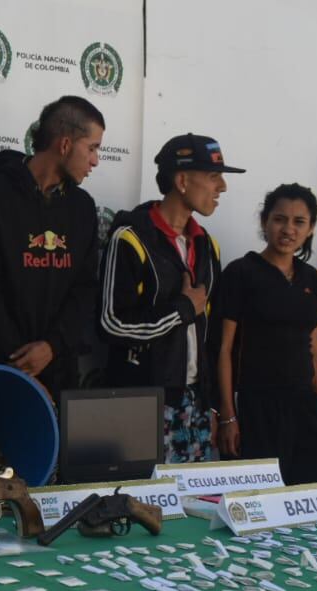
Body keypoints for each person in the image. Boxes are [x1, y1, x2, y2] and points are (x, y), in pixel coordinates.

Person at [99, 133, 244, 462]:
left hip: (194, 403)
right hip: (141, 404)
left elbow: (209, 336)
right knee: (144, 507)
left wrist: (215, 405)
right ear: (181, 180)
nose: (222, 187)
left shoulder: (207, 245)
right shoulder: (130, 238)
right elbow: (110, 324)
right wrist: (180, 310)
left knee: (195, 507)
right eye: (213, 177)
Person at [0, 96, 104, 398]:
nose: (95, 160)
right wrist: (21, 364)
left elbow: (85, 290)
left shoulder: (83, 207)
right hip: (2, 373)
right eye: (91, 148)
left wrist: (52, 347)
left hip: (63, 375)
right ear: (65, 144)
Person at [215, 183, 317, 484]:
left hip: (306, 407)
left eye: (299, 222)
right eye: (279, 219)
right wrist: (229, 416)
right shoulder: (241, 273)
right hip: (258, 407)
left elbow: (313, 345)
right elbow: (224, 349)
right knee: (263, 500)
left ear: (311, 228)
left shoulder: (310, 277)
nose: (288, 229)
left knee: (312, 496)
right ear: (264, 222)